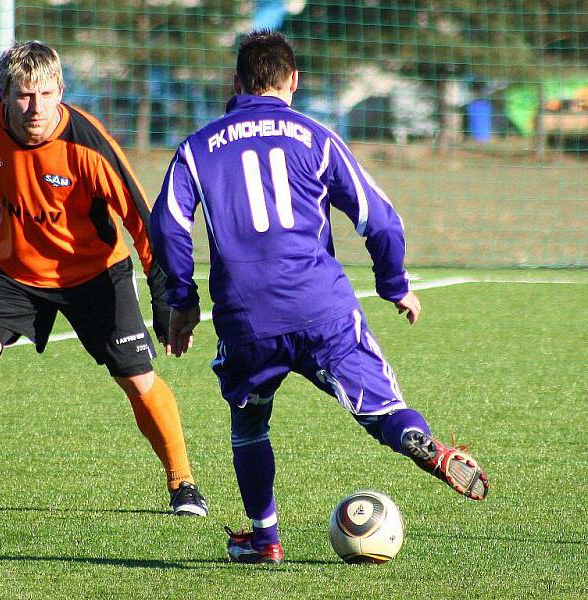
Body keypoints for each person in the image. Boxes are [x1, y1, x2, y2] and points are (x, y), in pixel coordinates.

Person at [150, 30, 487, 564]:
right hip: (322, 308)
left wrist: (183, 300)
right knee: (383, 411)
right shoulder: (316, 137)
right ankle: (420, 442)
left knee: (249, 425)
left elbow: (166, 227)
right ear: (293, 82)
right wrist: (394, 284)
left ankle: (265, 539)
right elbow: (381, 221)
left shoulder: (197, 147)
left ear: (235, 84)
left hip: (246, 318)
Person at [0, 40, 207, 519]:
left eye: (47, 94)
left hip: (95, 274)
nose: (36, 107)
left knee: (136, 377)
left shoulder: (88, 145)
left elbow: (142, 222)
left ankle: (183, 483)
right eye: (25, 95)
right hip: (13, 269)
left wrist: (164, 298)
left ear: (61, 91)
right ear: (4, 94)